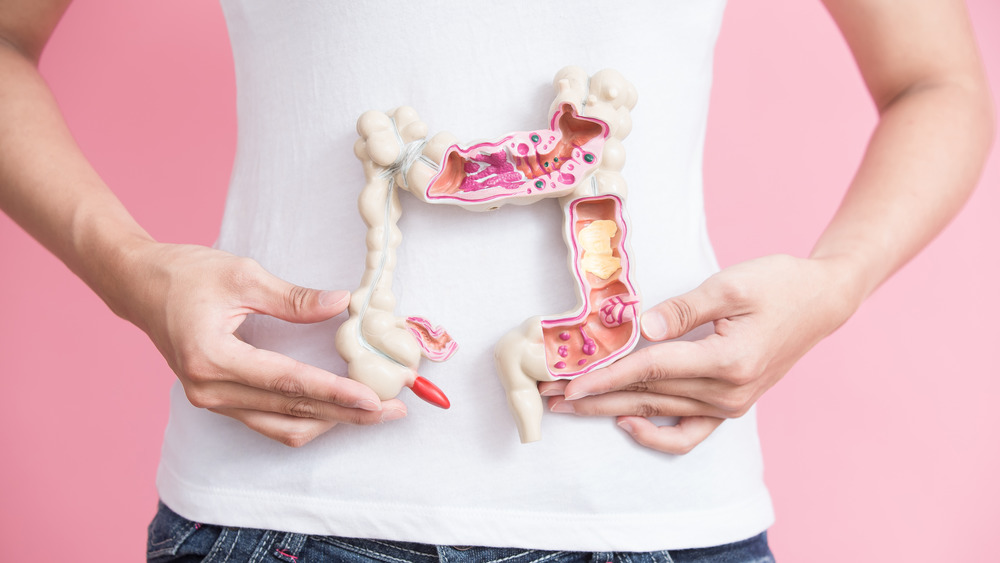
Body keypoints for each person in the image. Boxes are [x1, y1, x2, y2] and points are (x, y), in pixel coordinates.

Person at [0, 1, 993, 562]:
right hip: (287, 514)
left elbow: (937, 78)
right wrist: (128, 270)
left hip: (660, 514)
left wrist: (834, 283)